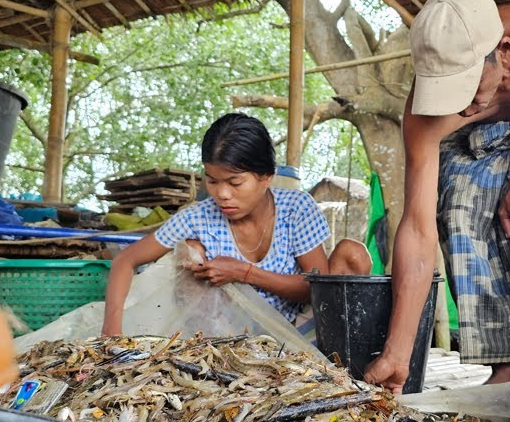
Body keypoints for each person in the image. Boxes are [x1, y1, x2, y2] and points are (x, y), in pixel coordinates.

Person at [364, 0, 510, 393]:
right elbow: (417, 229)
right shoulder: (423, 118)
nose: (462, 106)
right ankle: (500, 364)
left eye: (467, 87)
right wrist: (397, 352)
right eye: (447, 93)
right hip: (462, 145)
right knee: (458, 214)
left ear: (505, 53)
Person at [101, 113, 367, 336]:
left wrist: (244, 272)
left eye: (235, 182)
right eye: (212, 181)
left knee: (351, 253)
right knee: (190, 250)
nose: (222, 194)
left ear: (267, 177)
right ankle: (214, 356)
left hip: (297, 330)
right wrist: (111, 331)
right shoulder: (198, 217)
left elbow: (316, 290)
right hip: (230, 335)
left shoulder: (296, 208)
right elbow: (126, 260)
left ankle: (347, 355)